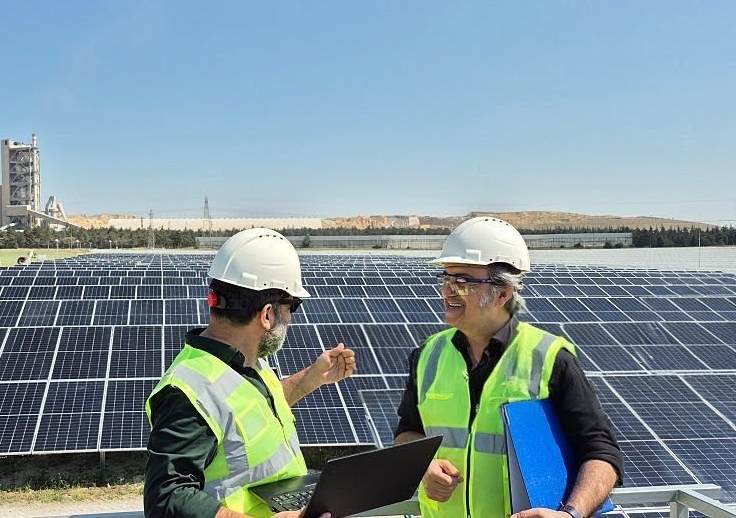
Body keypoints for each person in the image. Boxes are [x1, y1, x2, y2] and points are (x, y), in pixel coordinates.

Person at [393, 217, 622, 518]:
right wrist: (423, 466)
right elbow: (407, 432)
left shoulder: (549, 357)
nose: (447, 291)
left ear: (503, 293)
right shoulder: (428, 354)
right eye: (445, 279)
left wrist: (570, 514)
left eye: (462, 281)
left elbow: (601, 452)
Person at [145, 227, 356, 518]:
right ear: (267, 314)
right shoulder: (189, 390)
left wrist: (312, 377)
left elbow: (252, 411)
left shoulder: (246, 361)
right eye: (292, 306)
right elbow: (165, 498)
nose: (291, 318)